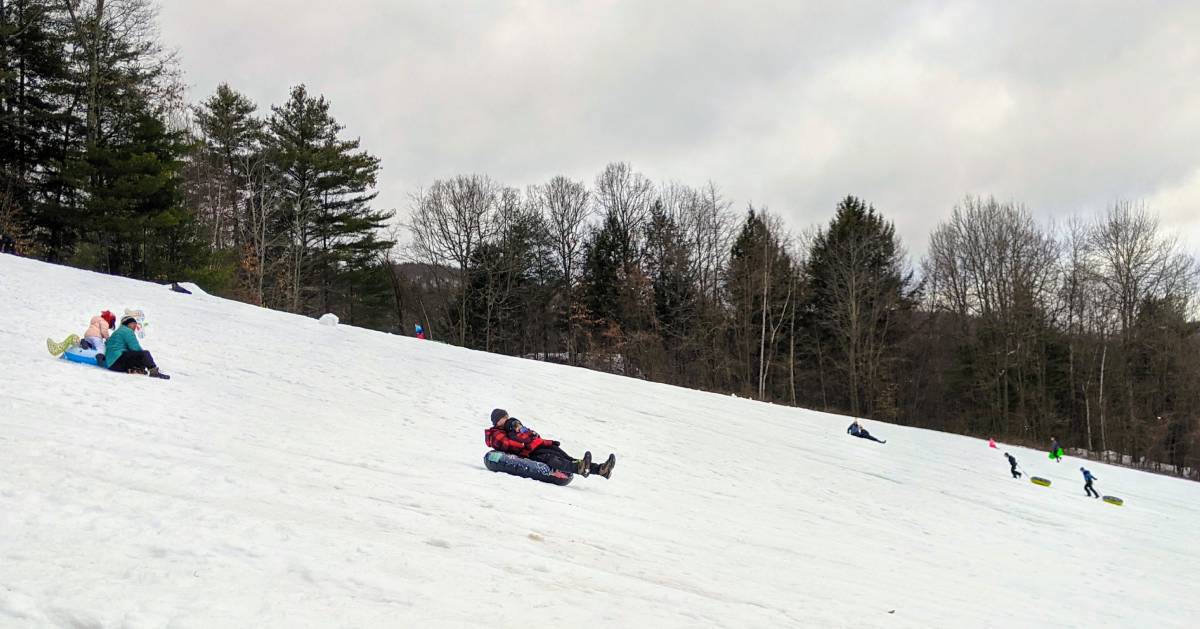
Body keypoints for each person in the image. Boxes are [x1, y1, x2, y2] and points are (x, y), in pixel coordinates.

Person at [484, 409, 614, 479]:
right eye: (503, 418)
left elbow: (533, 436)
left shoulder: (512, 428)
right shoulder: (496, 433)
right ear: (497, 421)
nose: (506, 420)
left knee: (567, 458)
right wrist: (523, 440)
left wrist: (548, 442)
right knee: (552, 459)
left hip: (539, 446)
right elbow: (511, 445)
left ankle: (601, 469)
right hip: (531, 453)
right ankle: (580, 469)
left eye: (507, 417)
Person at [104, 315, 170, 379]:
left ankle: (134, 369)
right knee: (145, 354)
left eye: (136, 324)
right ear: (127, 324)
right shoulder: (127, 331)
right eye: (133, 323)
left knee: (136, 356)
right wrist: (146, 359)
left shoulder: (117, 332)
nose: (135, 326)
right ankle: (154, 371)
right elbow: (135, 348)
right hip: (118, 360)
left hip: (111, 364)